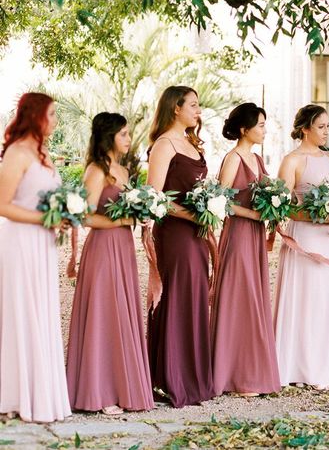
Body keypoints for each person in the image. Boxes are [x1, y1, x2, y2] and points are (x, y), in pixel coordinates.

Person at [66, 113, 154, 414]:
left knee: (121, 312)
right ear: (108, 137)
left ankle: (121, 386)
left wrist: (141, 216)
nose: (129, 139)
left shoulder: (125, 171)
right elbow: (84, 215)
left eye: (129, 134)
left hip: (124, 248)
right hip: (103, 249)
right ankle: (99, 391)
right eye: (124, 134)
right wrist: (124, 219)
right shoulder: (97, 170)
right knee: (104, 313)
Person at [0, 92, 71, 422]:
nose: (55, 120)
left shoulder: (43, 153)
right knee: (22, 310)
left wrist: (64, 216)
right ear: (35, 115)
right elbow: (3, 205)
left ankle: (39, 388)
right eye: (52, 113)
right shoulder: (17, 153)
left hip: (43, 244)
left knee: (41, 310)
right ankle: (16, 393)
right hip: (20, 242)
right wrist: (45, 220)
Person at [147, 86, 214, 408]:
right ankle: (168, 377)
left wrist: (209, 210)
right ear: (175, 108)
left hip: (197, 234)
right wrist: (192, 213)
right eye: (193, 105)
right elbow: (154, 197)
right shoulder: (163, 145)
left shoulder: (190, 143)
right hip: (174, 233)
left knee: (196, 296)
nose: (198, 111)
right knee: (177, 296)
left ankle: (193, 375)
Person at [273, 104, 329, 389]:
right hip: (305, 237)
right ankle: (299, 366)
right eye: (321, 126)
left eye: (328, 126)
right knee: (307, 298)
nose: (327, 131)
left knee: (327, 299)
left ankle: (324, 364)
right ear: (305, 128)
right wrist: (316, 214)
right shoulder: (293, 160)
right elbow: (281, 208)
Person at [211, 103, 280, 396]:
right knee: (240, 297)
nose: (265, 129)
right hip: (239, 235)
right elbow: (220, 202)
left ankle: (251, 370)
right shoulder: (234, 158)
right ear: (244, 129)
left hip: (254, 236)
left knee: (254, 297)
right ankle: (232, 374)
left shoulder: (257, 159)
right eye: (261, 124)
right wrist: (254, 215)